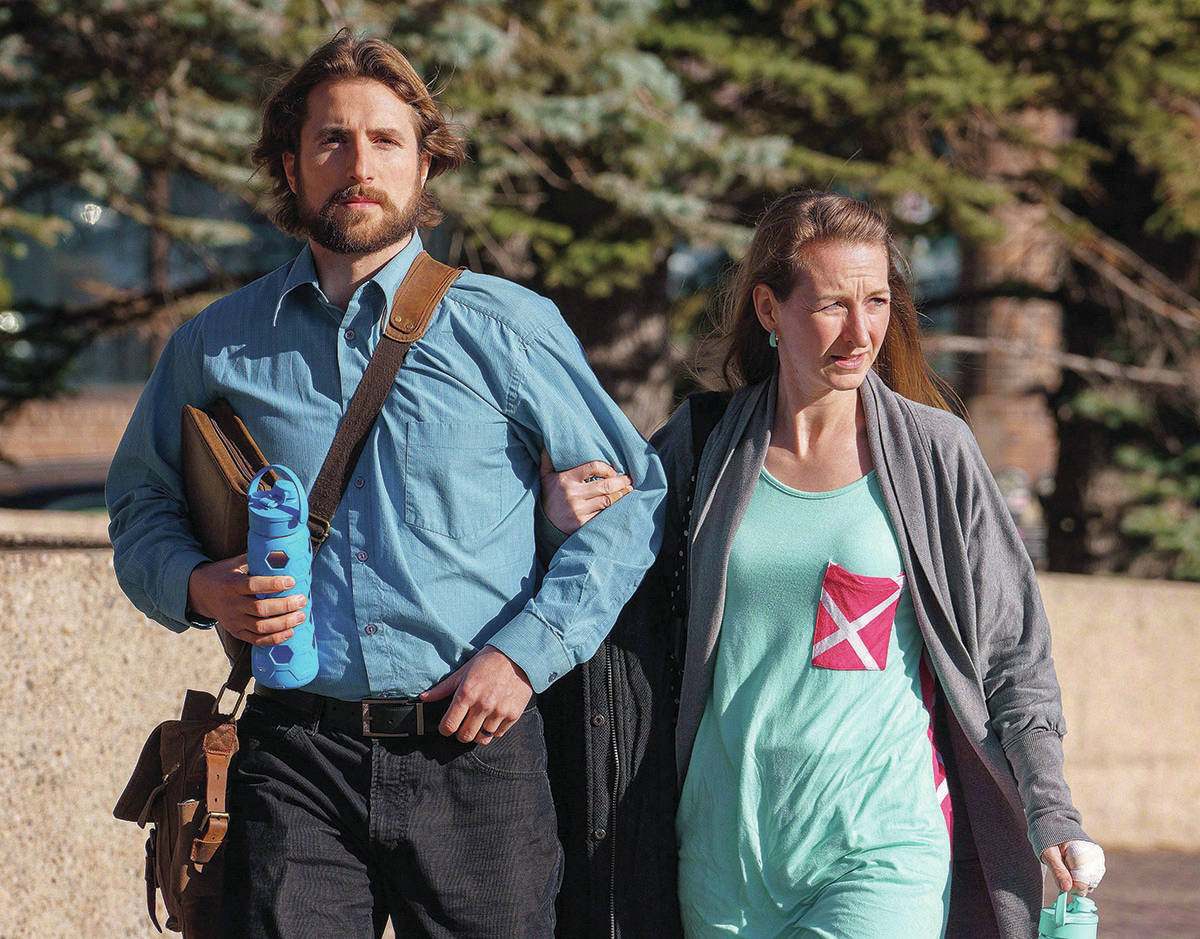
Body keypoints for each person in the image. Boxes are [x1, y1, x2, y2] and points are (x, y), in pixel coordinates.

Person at [106, 31, 665, 938]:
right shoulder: (217, 343)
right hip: (293, 754)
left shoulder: (508, 327)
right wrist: (198, 586)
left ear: (424, 161)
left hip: (476, 752)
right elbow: (139, 506)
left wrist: (526, 654)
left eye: (386, 140)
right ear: (290, 166)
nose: (357, 164)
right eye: (330, 140)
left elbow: (636, 501)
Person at [538, 190, 1105, 938]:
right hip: (722, 852)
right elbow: (612, 597)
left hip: (879, 845)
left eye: (877, 300)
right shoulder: (702, 445)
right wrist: (556, 523)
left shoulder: (936, 454)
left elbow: (1013, 655)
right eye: (834, 304)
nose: (862, 330)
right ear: (769, 310)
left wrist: (1050, 808)